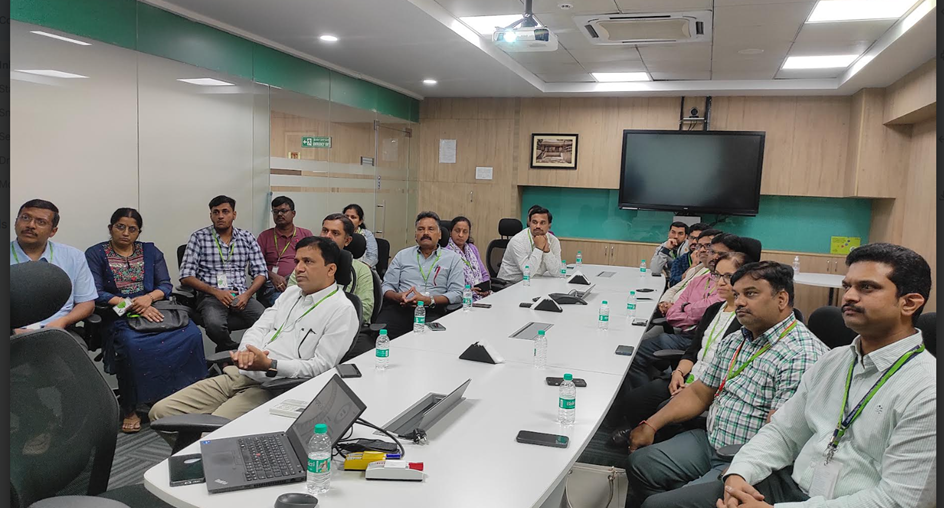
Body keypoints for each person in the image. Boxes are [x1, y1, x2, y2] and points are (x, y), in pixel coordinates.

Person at [660, 243, 936, 508]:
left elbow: (900, 501)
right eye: (847, 286)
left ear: (909, 303)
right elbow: (783, 432)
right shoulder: (834, 361)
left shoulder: (927, 391)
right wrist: (740, 473)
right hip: (789, 485)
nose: (849, 296)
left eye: (867, 287)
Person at [625, 261, 828, 508]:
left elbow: (781, 435)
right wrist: (651, 424)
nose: (739, 302)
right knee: (640, 464)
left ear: (782, 299)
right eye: (737, 294)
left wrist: (742, 468)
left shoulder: (801, 354)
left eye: (750, 294)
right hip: (712, 440)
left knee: (662, 504)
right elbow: (700, 393)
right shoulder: (737, 339)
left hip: (748, 459)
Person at [149, 236, 360, 424]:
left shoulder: (341, 310)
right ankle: (200, 454)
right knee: (161, 413)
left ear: (331, 269)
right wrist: (246, 352)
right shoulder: (291, 293)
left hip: (276, 386)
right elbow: (259, 326)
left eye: (308, 262)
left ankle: (206, 452)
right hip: (241, 374)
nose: (299, 268)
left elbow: (321, 367)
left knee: (211, 432)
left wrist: (271, 365)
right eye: (297, 261)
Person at [607, 252, 748, 448]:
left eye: (728, 276)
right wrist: (678, 373)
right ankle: (641, 436)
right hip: (689, 376)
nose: (721, 282)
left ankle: (654, 445)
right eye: (717, 275)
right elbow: (693, 350)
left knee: (664, 409)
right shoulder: (714, 310)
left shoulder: (745, 319)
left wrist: (695, 386)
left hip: (710, 387)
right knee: (635, 399)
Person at [85, 208, 206, 433]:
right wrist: (131, 304)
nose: (126, 233)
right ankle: (130, 408)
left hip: (153, 307)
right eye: (120, 227)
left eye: (132, 229)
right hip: (118, 311)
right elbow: (96, 292)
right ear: (111, 228)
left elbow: (165, 285)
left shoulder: (150, 251)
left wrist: (148, 299)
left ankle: (183, 397)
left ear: (138, 232)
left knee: (190, 334)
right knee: (132, 345)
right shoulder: (96, 253)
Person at [625, 233, 743, 389]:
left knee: (633, 352)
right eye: (711, 251)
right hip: (682, 333)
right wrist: (679, 309)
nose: (711, 255)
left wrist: (684, 308)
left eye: (719, 253)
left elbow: (703, 310)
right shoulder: (700, 277)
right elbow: (673, 306)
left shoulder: (727, 287)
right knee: (633, 346)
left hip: (691, 341)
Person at [179, 195, 268, 352]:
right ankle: (231, 349)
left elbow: (261, 272)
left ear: (234, 214)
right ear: (211, 215)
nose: (220, 216)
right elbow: (186, 276)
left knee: (266, 319)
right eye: (216, 212)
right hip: (211, 296)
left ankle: (245, 352)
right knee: (214, 325)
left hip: (241, 295)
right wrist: (216, 292)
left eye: (225, 211)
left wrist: (247, 295)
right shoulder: (199, 237)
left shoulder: (247, 237)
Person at [10, 199, 97, 333]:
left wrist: (63, 321)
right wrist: (13, 330)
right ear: (16, 222)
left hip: (58, 330)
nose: (31, 225)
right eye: (25, 218)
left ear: (53, 231)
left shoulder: (73, 256)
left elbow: (87, 303)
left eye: (41, 222)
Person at [379, 211, 464, 338]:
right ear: (415, 235)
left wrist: (429, 300)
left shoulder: (453, 259)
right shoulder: (402, 255)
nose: (425, 233)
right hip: (401, 308)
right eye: (421, 229)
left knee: (430, 341)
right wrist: (398, 296)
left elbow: (457, 293)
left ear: (440, 234)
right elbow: (386, 286)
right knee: (382, 336)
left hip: (434, 310)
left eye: (431, 229)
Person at [287, 213, 374, 323]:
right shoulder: (304, 264)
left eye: (335, 233)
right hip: (301, 323)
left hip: (343, 326)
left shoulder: (361, 270)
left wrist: (326, 318)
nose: (327, 236)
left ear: (347, 240)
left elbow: (365, 310)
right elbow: (289, 299)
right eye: (325, 230)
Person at [256, 196, 314, 307]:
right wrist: (272, 275)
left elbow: (313, 261)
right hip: (274, 286)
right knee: (285, 304)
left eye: (283, 211)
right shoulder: (265, 236)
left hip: (301, 281)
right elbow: (254, 267)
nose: (279, 214)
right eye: (275, 211)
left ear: (293, 213)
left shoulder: (305, 234)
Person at [659, 229, 721, 312]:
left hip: (681, 313)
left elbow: (697, 304)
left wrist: (674, 308)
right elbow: (673, 288)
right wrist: (663, 303)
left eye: (708, 246)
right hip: (672, 309)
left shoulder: (718, 276)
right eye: (700, 246)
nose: (702, 250)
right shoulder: (697, 268)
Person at [497, 205, 562, 283]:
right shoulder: (517, 241)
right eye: (534, 222)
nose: (538, 226)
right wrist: (539, 248)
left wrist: (547, 251)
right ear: (529, 223)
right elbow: (528, 273)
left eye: (542, 223)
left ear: (549, 225)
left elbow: (558, 273)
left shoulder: (554, 241)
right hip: (510, 284)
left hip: (535, 282)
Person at [445, 216, 491, 301]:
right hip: (462, 298)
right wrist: (469, 291)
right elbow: (447, 284)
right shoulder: (446, 252)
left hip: (481, 295)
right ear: (450, 232)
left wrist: (485, 288)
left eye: (465, 232)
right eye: (457, 231)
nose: (461, 235)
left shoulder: (472, 248)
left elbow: (484, 274)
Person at [343, 204, 379, 268]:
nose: (349, 219)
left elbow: (372, 257)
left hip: (364, 268)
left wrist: (360, 270)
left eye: (353, 217)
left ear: (360, 221)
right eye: (346, 216)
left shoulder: (367, 234)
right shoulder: (338, 233)